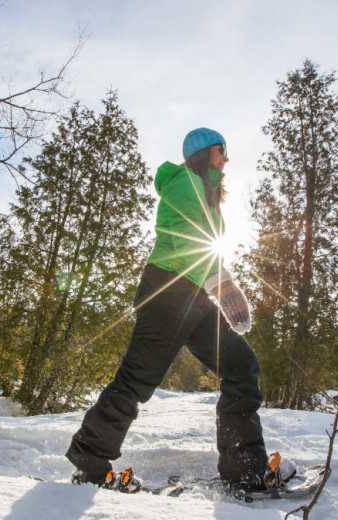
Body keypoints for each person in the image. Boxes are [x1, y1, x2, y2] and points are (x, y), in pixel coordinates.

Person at [65, 127, 295, 492]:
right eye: (222, 151)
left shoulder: (205, 191)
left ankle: (245, 471)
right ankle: (90, 465)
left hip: (194, 297)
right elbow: (192, 240)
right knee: (137, 379)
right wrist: (225, 285)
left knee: (240, 368)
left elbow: (206, 244)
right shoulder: (184, 184)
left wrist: (218, 286)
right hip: (168, 294)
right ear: (205, 152)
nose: (227, 158)